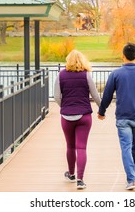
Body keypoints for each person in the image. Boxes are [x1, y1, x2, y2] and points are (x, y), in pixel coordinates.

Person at [97, 43, 135, 190]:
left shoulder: (116, 74)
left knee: (126, 147)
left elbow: (107, 95)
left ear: (123, 56)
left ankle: (131, 179)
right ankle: (133, 173)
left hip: (123, 117)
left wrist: (101, 111)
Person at [54, 50, 101, 190]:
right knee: (81, 147)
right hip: (84, 116)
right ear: (82, 61)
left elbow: (56, 96)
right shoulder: (86, 75)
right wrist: (102, 110)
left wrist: (65, 106)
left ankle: (71, 174)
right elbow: (96, 95)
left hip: (67, 116)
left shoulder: (61, 75)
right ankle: (80, 180)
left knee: (70, 146)